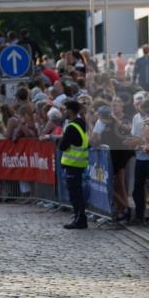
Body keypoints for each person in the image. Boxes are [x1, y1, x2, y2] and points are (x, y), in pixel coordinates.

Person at [59, 98, 89, 229]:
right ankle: (79, 218)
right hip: (79, 163)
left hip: (73, 164)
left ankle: (79, 219)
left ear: (70, 111)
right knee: (77, 193)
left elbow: (63, 146)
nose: (64, 112)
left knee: (75, 194)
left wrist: (61, 139)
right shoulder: (81, 123)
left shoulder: (71, 127)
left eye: (65, 110)